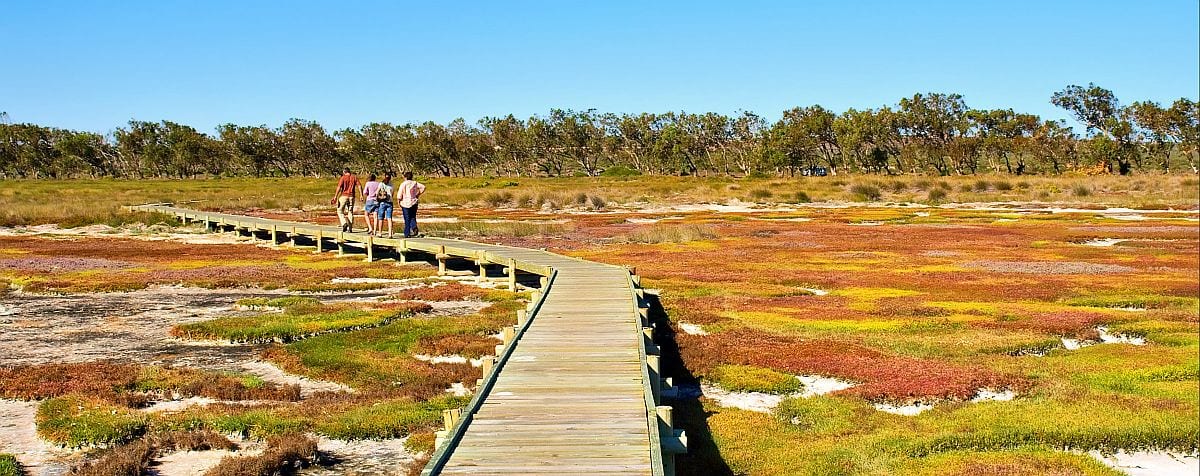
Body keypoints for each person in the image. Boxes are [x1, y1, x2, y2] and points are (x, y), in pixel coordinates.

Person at [396, 171, 426, 238]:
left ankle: (407, 233)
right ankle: (414, 228)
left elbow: (399, 194)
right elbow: (423, 187)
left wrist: (398, 201)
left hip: (405, 203)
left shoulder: (403, 184)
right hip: (414, 202)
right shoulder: (415, 183)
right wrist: (418, 194)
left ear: (405, 177)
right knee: (413, 216)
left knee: (407, 218)